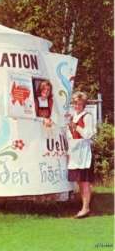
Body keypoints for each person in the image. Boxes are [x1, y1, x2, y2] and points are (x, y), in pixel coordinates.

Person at [67, 91, 95, 219]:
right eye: (75, 103)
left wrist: (76, 127)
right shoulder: (73, 116)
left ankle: (85, 208)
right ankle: (83, 206)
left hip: (84, 152)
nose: (76, 106)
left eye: (79, 104)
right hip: (75, 152)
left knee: (85, 182)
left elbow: (88, 134)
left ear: (83, 104)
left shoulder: (87, 116)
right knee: (79, 181)